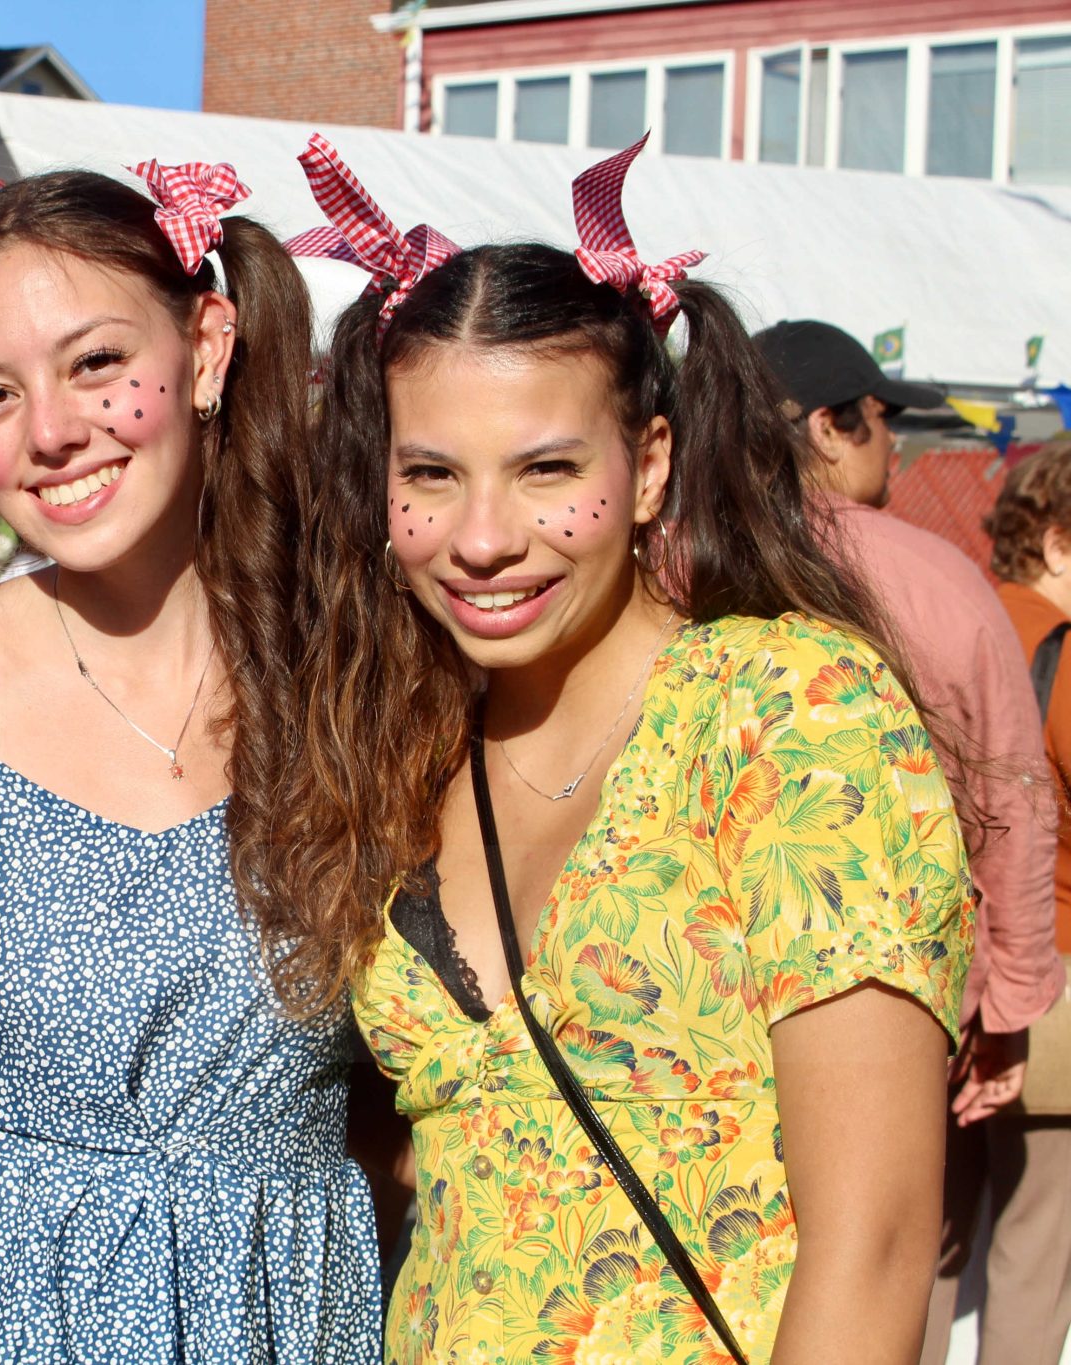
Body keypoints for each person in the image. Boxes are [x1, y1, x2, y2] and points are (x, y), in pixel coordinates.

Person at [282, 135, 974, 1363]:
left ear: (648, 465)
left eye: (546, 470)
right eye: (430, 475)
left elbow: (871, 1240)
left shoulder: (782, 713)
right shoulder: (400, 742)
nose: (481, 538)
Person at [0, 163, 381, 1361]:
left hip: (290, 1313)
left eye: (94, 363)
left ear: (204, 348)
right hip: (1, 1309)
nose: (48, 432)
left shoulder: (352, 671)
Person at [754, 319, 1063, 1363]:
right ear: (832, 428)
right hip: (902, 998)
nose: (899, 450)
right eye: (884, 422)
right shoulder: (932, 577)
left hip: (714, 986)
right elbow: (1010, 799)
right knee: (901, 1252)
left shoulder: (676, 555)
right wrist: (1012, 996)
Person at [967, 441, 1071, 1364]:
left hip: (939, 967)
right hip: (1048, 975)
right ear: (1058, 541)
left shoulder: (956, 618)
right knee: (1034, 1252)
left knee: (922, 1251)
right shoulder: (1059, 649)